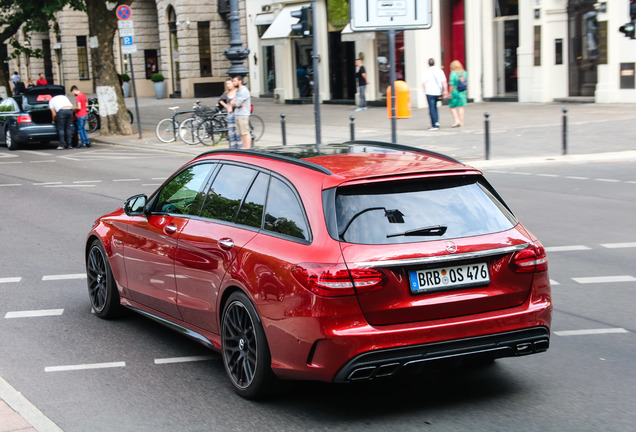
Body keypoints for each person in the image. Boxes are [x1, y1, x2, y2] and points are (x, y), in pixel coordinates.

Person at [421, 58, 448, 130]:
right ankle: (437, 121)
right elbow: (444, 82)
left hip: (429, 92)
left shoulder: (426, 71)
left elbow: (423, 83)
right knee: (435, 107)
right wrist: (445, 91)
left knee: (431, 108)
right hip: (437, 91)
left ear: (428, 64)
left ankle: (434, 125)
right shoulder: (440, 71)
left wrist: (424, 90)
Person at [218, 77, 240, 149]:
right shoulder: (226, 93)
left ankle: (239, 147)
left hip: (237, 113)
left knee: (238, 131)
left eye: (229, 83)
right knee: (231, 131)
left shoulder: (237, 91)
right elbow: (220, 100)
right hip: (230, 114)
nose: (228, 85)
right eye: (226, 84)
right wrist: (226, 106)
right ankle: (233, 147)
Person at [231, 75, 251, 149]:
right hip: (238, 114)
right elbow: (232, 102)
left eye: (234, 81)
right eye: (233, 81)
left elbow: (237, 103)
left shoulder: (244, 90)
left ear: (240, 81)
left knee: (245, 132)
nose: (233, 83)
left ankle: (247, 148)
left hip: (243, 114)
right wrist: (235, 103)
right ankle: (244, 147)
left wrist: (236, 104)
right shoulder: (238, 91)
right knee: (241, 133)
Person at [448, 60, 467, 127]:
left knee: (452, 106)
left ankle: (456, 120)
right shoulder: (464, 73)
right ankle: (461, 122)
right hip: (462, 92)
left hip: (455, 92)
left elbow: (451, 84)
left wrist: (450, 93)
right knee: (461, 107)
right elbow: (466, 82)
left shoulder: (453, 73)